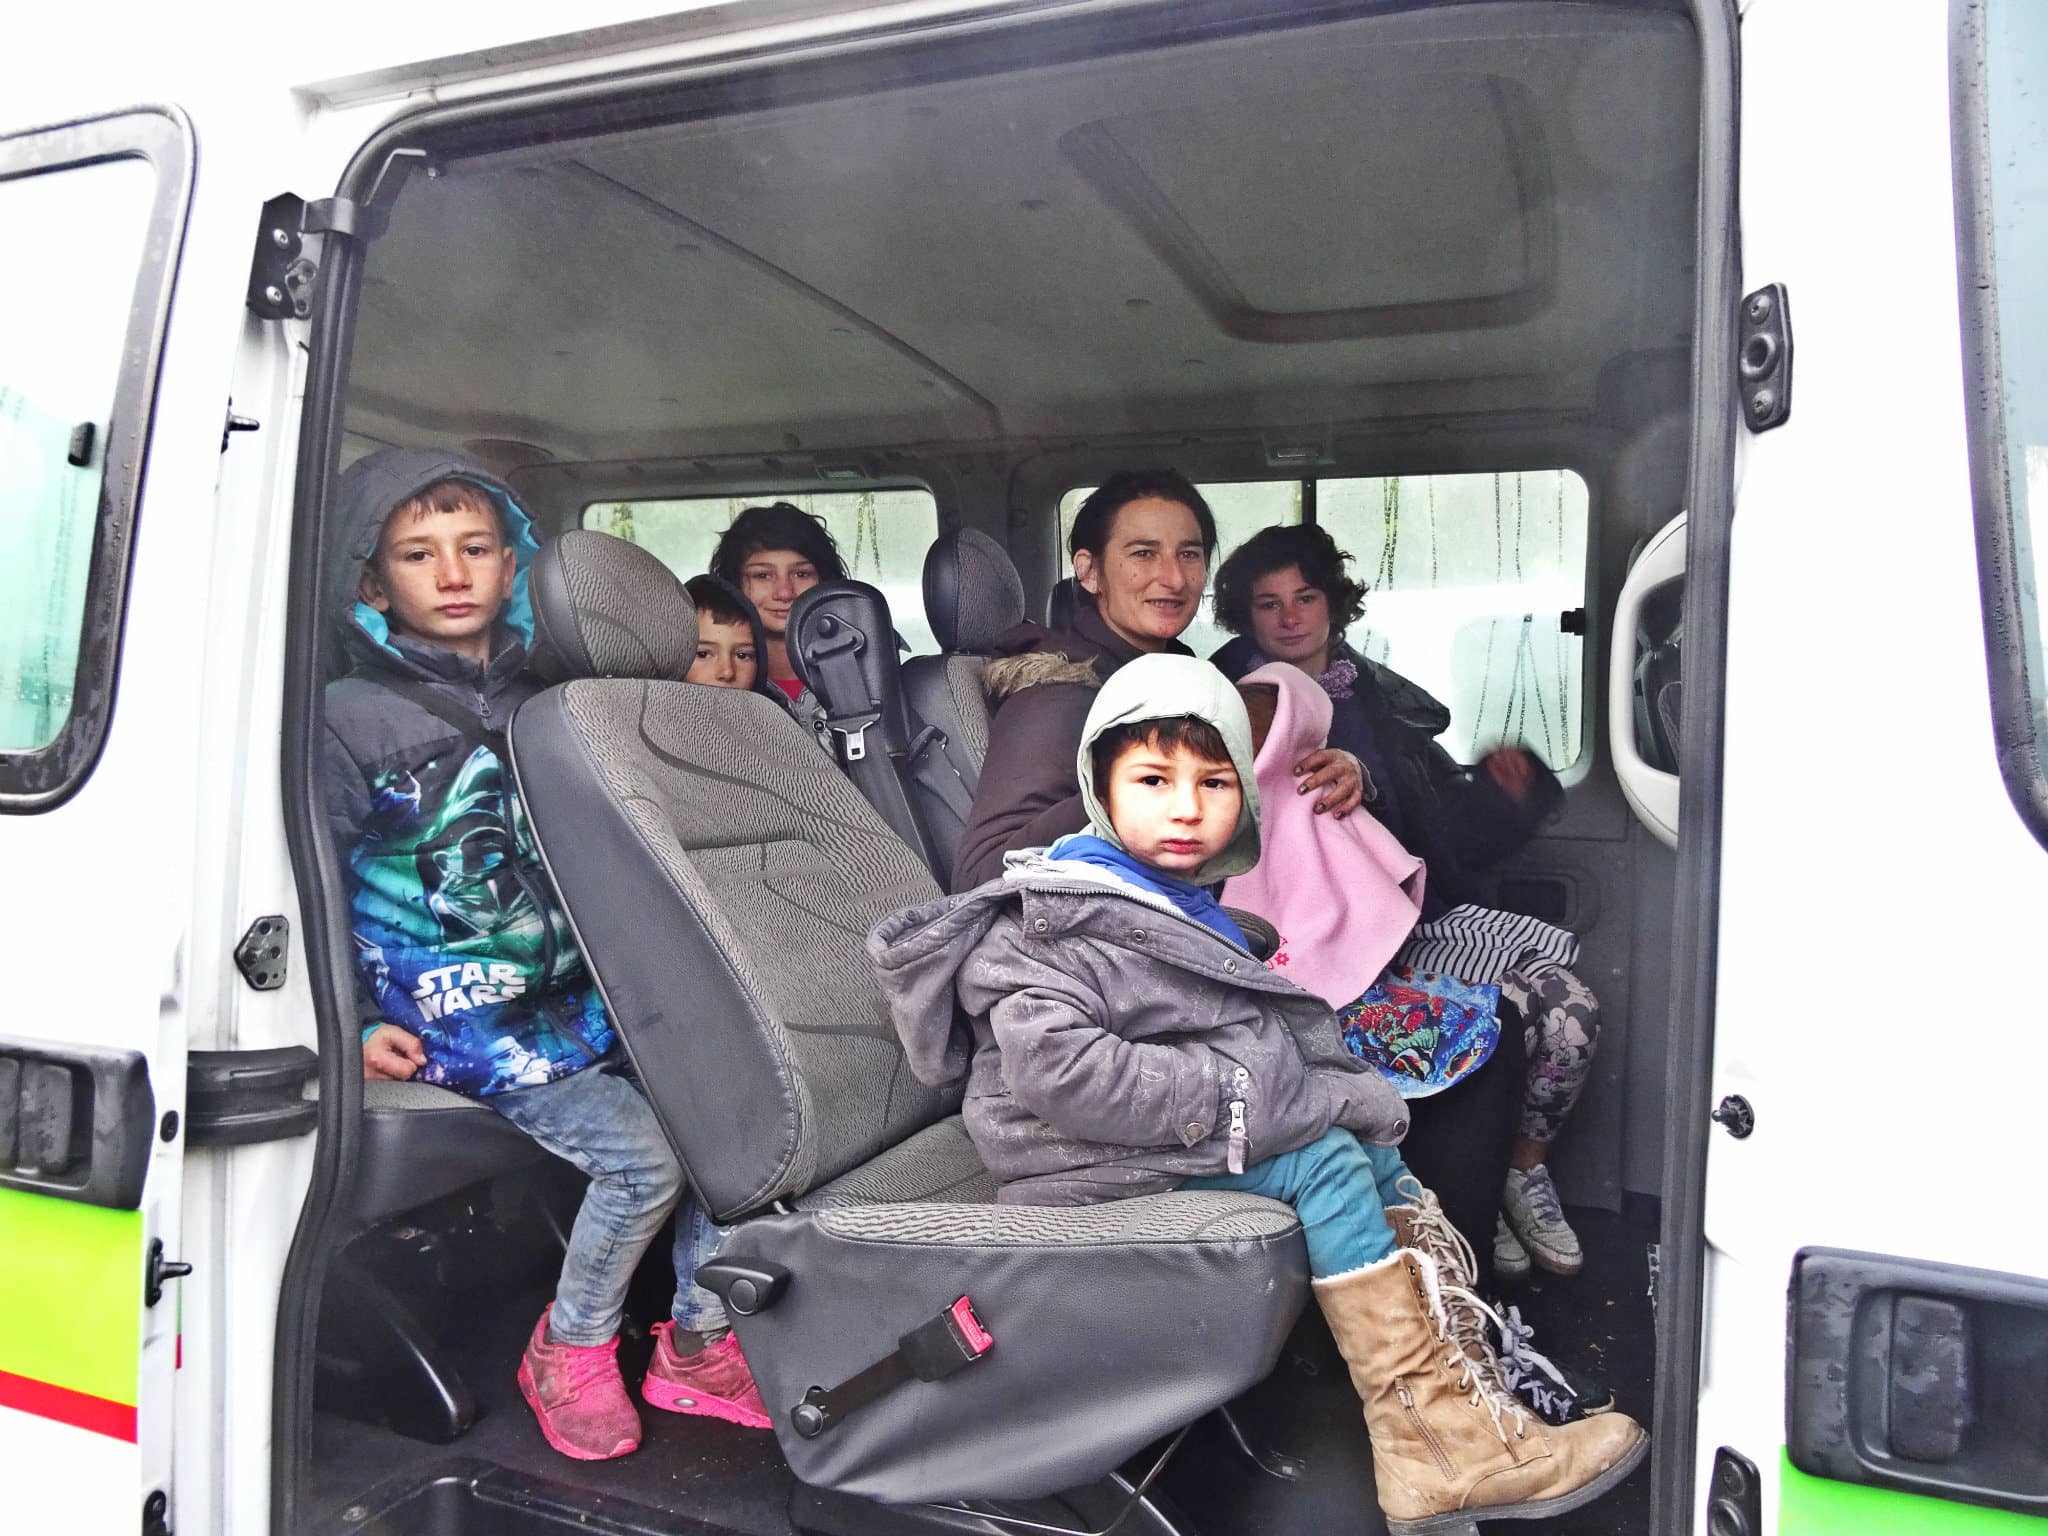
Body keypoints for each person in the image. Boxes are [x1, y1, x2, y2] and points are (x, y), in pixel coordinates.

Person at [869, 655, 1645, 1532]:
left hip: (1148, 1147)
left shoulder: (1184, 904)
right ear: (1100, 787)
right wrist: (1259, 1100)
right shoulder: (1054, 920)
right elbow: (1065, 1077)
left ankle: (1452, 1400)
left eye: (1215, 781)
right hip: (1082, 1168)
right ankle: (1437, 1442)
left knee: (1372, 1155)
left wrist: (1332, 1096)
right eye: (1153, 779)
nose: (1188, 806)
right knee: (1319, 1161)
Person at [322, 449, 770, 1461]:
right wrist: (342, 1020)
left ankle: (699, 1342)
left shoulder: (554, 697)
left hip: (585, 993)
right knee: (642, 1161)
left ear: (510, 562)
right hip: (455, 1017)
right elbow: (305, 877)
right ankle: (566, 1351)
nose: (451, 573)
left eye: (475, 547)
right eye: (418, 553)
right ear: (369, 579)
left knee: (736, 1119)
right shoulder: (346, 720)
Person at [1211, 523, 1600, 1280]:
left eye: (1306, 596)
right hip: (1316, 946)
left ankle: (1523, 1171)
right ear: (1244, 617)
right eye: (1267, 604)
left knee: (1572, 1010)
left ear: (1336, 603)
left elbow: (1444, 839)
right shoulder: (1230, 705)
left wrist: (1497, 793)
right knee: (1494, 1036)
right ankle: (1474, 1212)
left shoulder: (1376, 701)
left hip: (1413, 916)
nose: (1291, 617)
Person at [952, 469, 1363, 892]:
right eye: (1143, 553)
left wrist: (1343, 772)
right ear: (1090, 572)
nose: (1174, 579)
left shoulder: (1184, 675)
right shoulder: (1061, 692)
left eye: (1189, 554)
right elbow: (981, 875)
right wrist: (1124, 792)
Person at [708, 501, 846, 730]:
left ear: (824, 581)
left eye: (801, 574)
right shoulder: (711, 676)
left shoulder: (867, 670)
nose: (785, 592)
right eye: (762, 575)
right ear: (734, 583)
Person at [682, 573, 779, 699]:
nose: (727, 672)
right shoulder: (650, 716)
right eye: (703, 654)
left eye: (742, 656)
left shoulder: (777, 717)